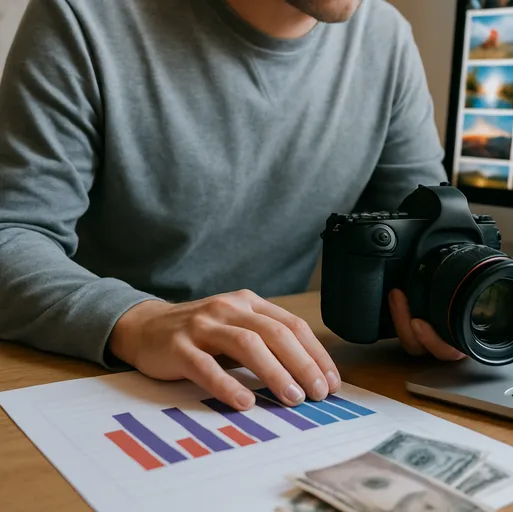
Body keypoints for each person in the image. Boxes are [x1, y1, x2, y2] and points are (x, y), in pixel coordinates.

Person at [0, 0, 466, 414]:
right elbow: (12, 235)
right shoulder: (83, 16)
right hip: (103, 379)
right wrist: (139, 321)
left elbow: (427, 229)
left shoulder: (385, 37)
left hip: (283, 385)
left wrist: (450, 306)